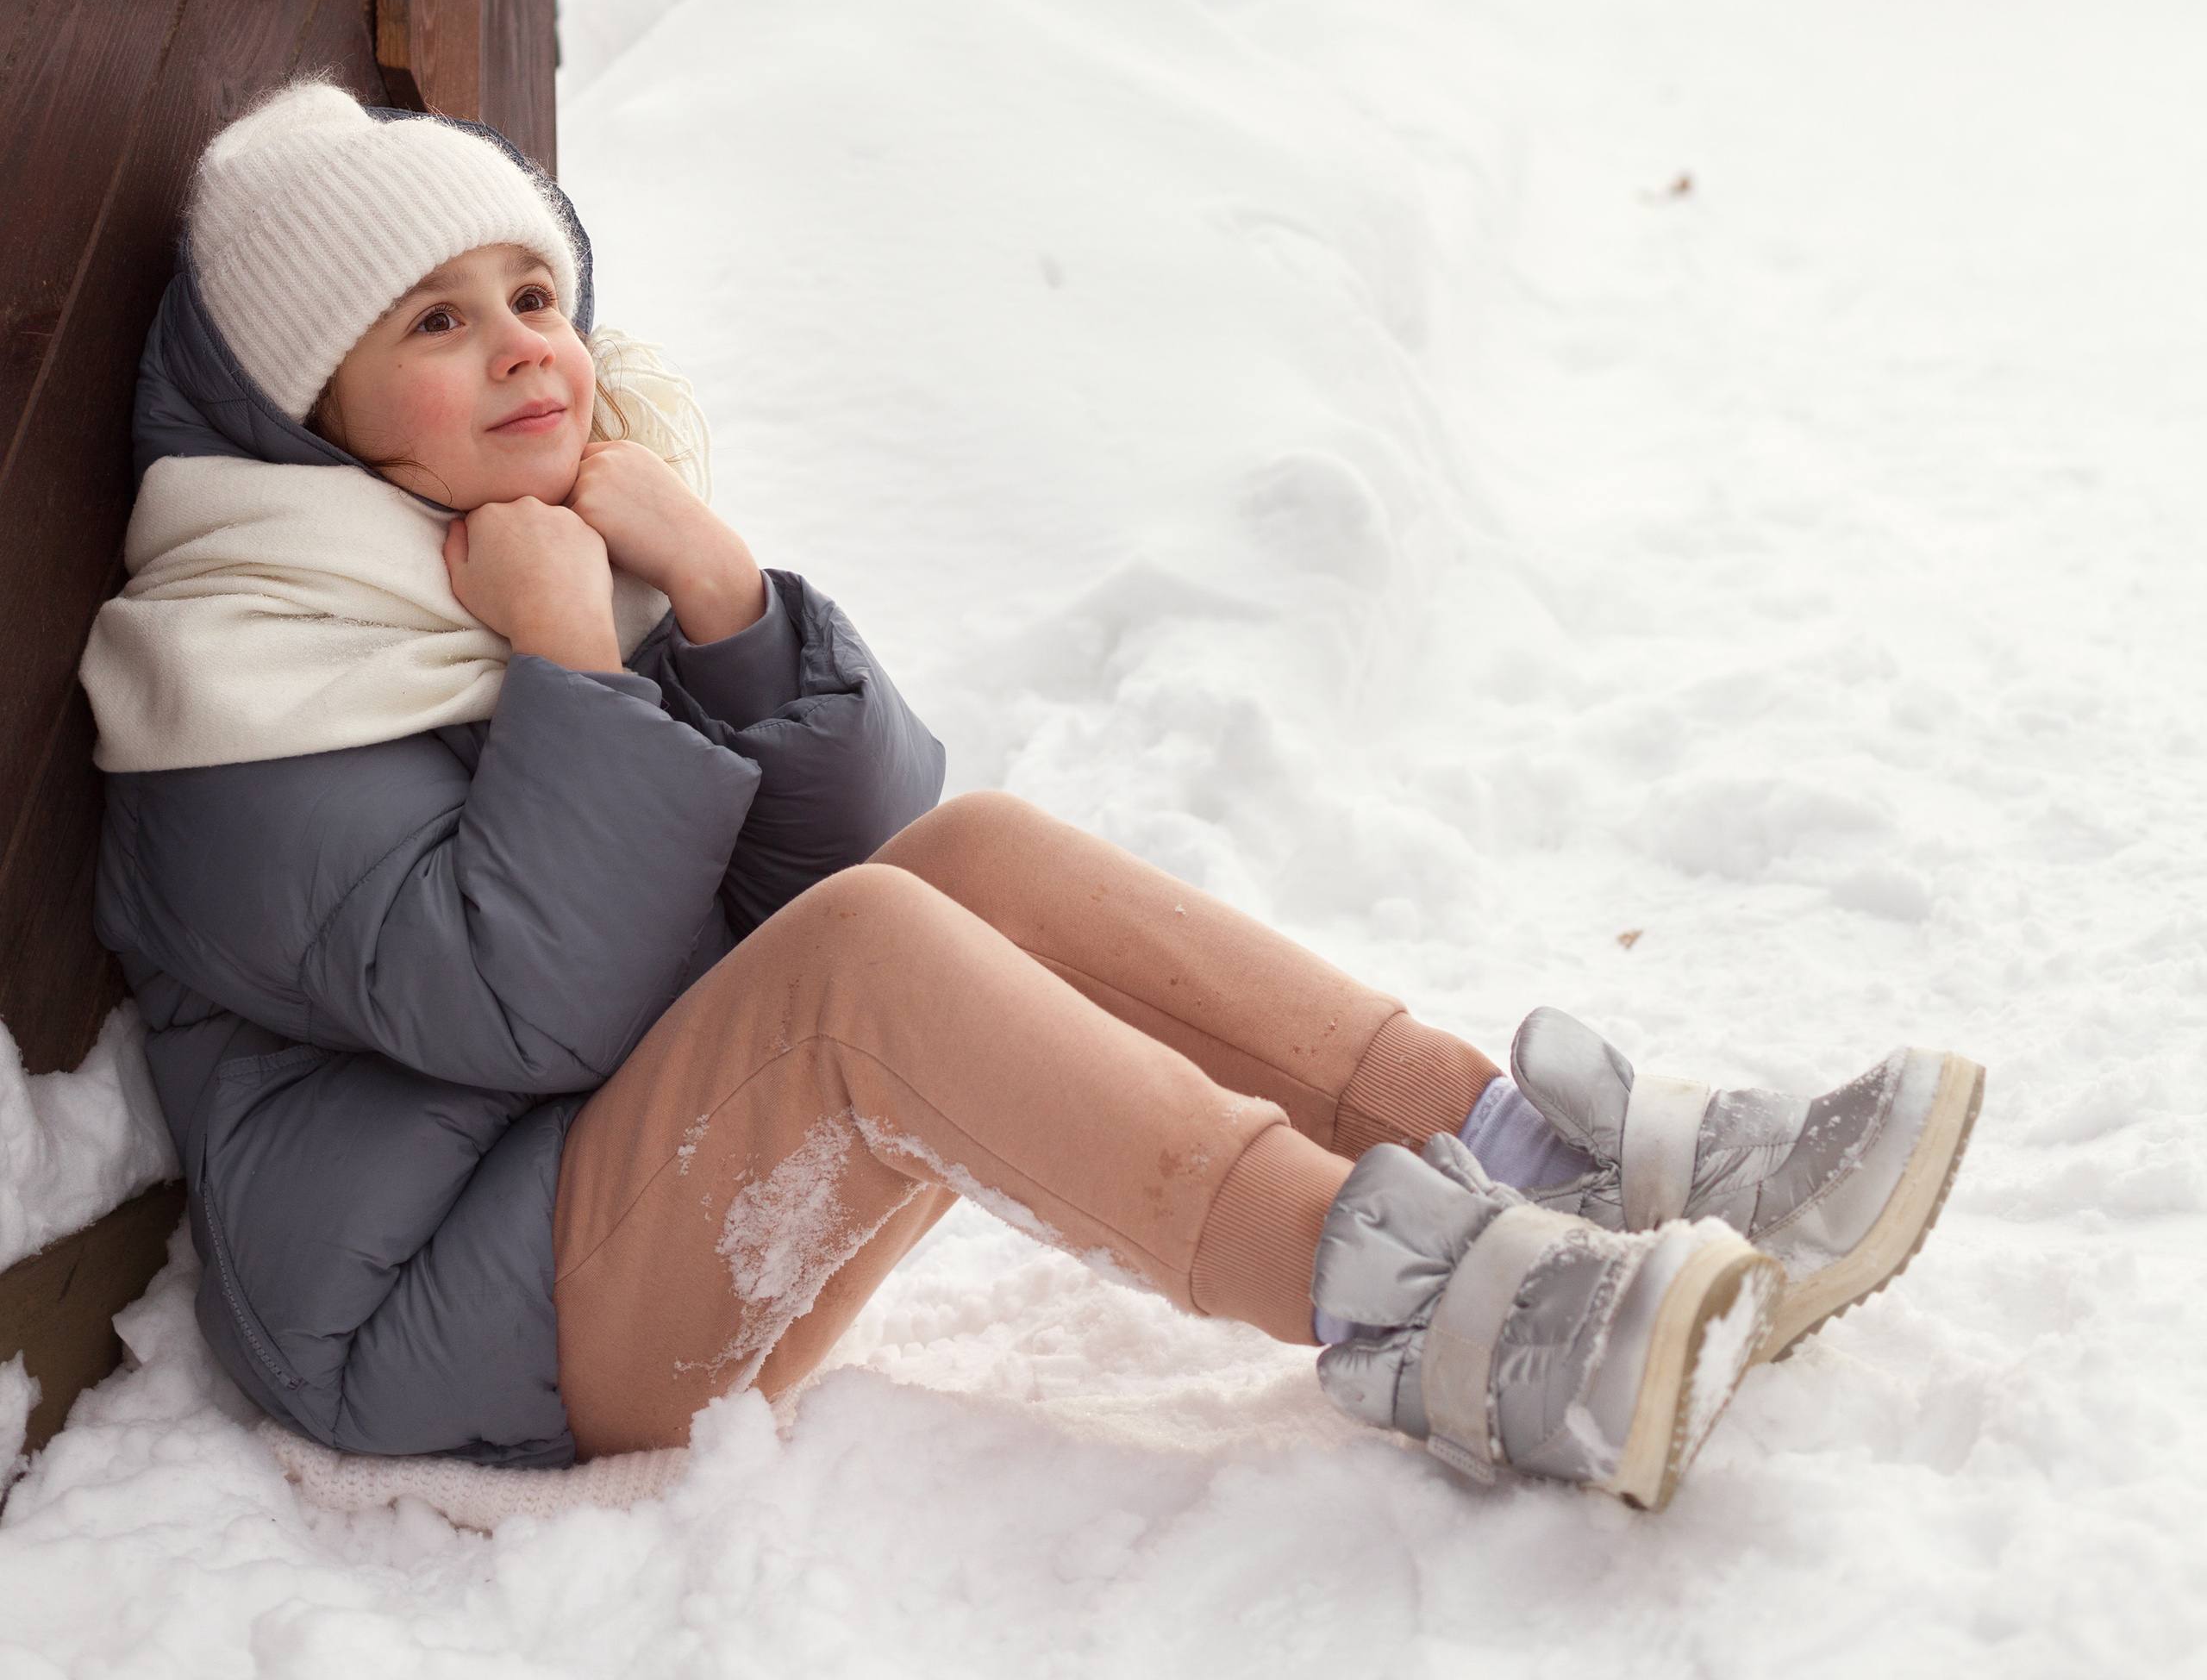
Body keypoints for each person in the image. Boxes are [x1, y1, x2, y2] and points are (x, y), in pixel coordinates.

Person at [81, 84, 1985, 1515]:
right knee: (861, 962)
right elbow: (540, 1006)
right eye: (431, 322)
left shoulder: (525, 552)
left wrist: (725, 606)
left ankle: (1517, 1152)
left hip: (613, 1200)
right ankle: (1433, 1317)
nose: (521, 342)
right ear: (303, 412)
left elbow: (872, 855)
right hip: (449, 1340)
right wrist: (571, 669)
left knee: (962, 855)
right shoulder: (238, 685)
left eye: (531, 290)